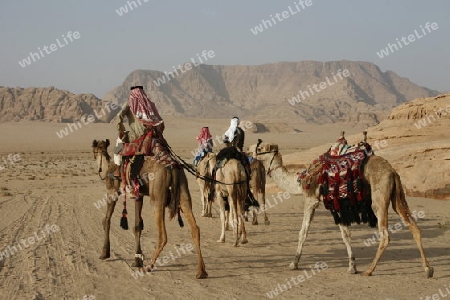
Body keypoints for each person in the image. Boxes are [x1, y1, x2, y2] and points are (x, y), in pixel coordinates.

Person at [112, 86, 164, 191]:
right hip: (151, 135)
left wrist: (120, 129)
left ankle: (119, 172)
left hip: (135, 137)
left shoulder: (130, 103)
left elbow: (118, 117)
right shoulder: (149, 103)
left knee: (117, 148)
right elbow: (159, 120)